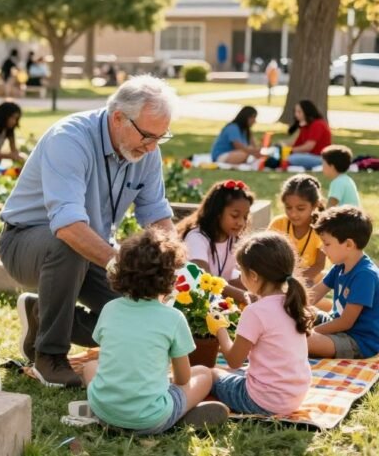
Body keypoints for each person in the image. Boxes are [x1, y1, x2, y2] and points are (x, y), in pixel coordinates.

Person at [0, 75, 178, 387]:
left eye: (159, 139)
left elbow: (156, 214)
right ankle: (50, 355)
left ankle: (43, 315)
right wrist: (120, 265)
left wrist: (173, 265)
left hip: (91, 248)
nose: (151, 148)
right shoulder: (69, 139)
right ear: (119, 117)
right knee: (67, 246)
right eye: (148, 137)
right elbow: (68, 227)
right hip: (26, 242)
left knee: (141, 307)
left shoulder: (145, 149)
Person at [78, 230, 228, 432]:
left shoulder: (109, 308)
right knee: (203, 374)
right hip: (151, 418)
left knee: (90, 366)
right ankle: (176, 418)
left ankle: (117, 416)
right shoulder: (173, 318)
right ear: (170, 279)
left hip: (105, 412)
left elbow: (112, 358)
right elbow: (182, 379)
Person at [210, 232, 312, 416]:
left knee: (210, 374)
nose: (240, 275)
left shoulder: (255, 312)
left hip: (262, 402)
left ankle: (199, 406)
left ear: (254, 276)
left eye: (241, 271)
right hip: (294, 397)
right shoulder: (291, 302)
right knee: (233, 373)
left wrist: (220, 329)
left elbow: (234, 360)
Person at [308, 206, 378, 359]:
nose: (322, 249)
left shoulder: (365, 275)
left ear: (348, 245)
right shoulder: (340, 266)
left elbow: (346, 322)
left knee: (302, 341)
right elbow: (313, 295)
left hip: (357, 340)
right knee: (299, 316)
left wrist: (313, 332)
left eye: (327, 244)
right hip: (336, 323)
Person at [178, 180, 254, 301]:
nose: (241, 223)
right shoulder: (197, 237)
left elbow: (230, 277)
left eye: (245, 217)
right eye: (235, 216)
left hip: (217, 303)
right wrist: (247, 297)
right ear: (217, 212)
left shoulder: (233, 238)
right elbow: (203, 278)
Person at [269, 175, 327, 286]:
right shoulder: (278, 224)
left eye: (300, 208)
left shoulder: (320, 230)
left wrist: (295, 280)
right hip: (277, 279)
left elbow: (319, 265)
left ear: (315, 205)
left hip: (307, 280)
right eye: (288, 207)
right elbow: (266, 255)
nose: (293, 214)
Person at [285, 100, 331, 169]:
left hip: (320, 158)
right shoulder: (305, 126)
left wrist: (290, 150)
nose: (296, 115)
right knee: (284, 157)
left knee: (289, 158)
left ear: (307, 112)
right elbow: (296, 144)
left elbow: (308, 146)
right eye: (295, 112)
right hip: (309, 155)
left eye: (299, 112)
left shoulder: (318, 124)